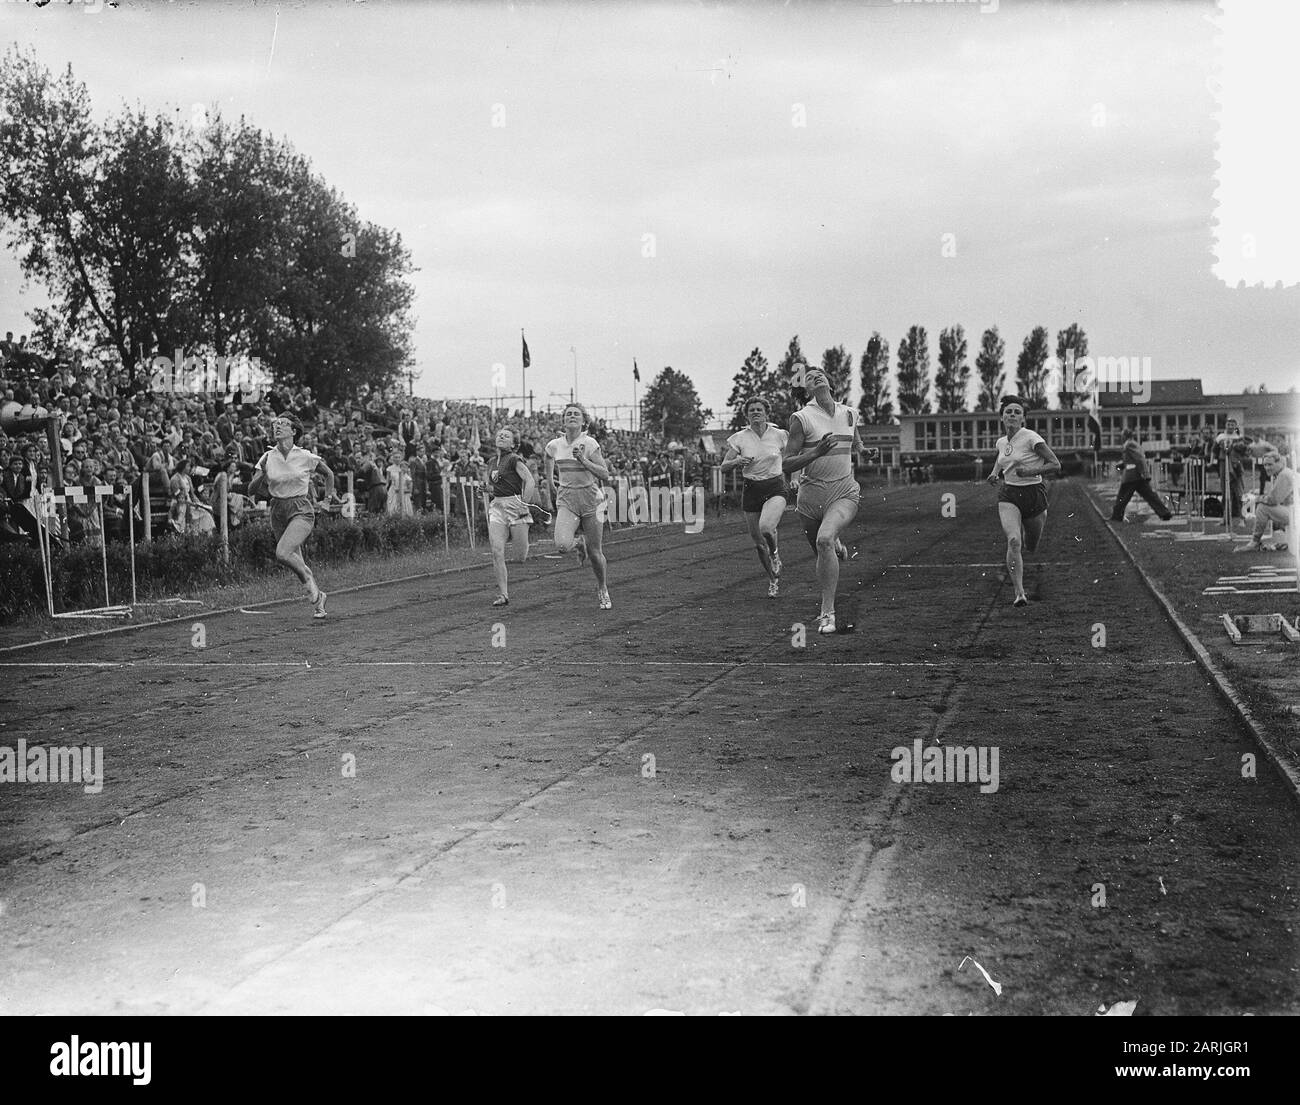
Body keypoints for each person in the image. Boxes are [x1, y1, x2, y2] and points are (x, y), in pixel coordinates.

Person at [781, 365, 862, 634]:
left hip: (843, 491)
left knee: (824, 540)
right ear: (805, 389)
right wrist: (815, 453)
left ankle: (827, 613)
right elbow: (786, 463)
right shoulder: (801, 418)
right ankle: (835, 539)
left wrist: (866, 451)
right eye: (809, 377)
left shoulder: (850, 413)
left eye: (820, 374)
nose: (815, 377)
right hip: (810, 498)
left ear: (829, 382)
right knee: (822, 551)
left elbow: (856, 442)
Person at [248, 414, 336, 618]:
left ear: (293, 431)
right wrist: (259, 477)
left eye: (283, 424)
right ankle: (319, 601)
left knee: (283, 553)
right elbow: (251, 489)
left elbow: (329, 474)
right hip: (277, 511)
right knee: (295, 559)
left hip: (301, 509)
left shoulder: (305, 455)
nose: (277, 427)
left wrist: (327, 500)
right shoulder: (267, 457)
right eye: (275, 425)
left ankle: (311, 587)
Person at [986, 395, 1062, 607]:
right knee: (1014, 541)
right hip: (1009, 495)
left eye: (1017, 412)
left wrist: (1031, 471)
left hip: (1034, 495)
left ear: (1023, 419)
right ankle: (1019, 593)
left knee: (1031, 545)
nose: (1012, 415)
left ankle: (1032, 532)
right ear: (1002, 417)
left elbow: (1056, 465)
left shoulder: (1031, 438)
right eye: (1008, 411)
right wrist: (994, 473)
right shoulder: (1001, 441)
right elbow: (1000, 460)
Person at [544, 402, 613, 609]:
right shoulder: (555, 444)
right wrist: (549, 480)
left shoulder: (590, 443)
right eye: (568, 414)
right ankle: (578, 544)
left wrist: (583, 460)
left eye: (576, 414)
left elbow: (605, 474)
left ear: (584, 421)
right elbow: (548, 456)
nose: (572, 416)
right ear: (563, 420)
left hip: (591, 499)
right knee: (563, 545)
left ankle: (602, 588)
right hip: (567, 498)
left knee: (595, 552)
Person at [720, 396, 788, 598]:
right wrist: (737, 461)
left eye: (759, 409)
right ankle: (772, 580)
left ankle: (775, 555)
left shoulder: (780, 434)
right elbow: (724, 467)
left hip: (775, 486)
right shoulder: (739, 438)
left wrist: (793, 478)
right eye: (752, 410)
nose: (756, 412)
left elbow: (792, 457)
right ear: (747, 415)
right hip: (751, 489)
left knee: (766, 528)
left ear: (767, 412)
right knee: (759, 544)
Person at [486, 427, 538, 606]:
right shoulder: (492, 461)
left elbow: (530, 480)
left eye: (506, 436)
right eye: (499, 433)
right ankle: (503, 594)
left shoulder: (514, 459)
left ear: (514, 444)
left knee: (520, 556)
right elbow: (495, 487)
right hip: (497, 506)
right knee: (496, 551)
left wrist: (524, 503)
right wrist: (485, 490)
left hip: (516, 505)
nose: (501, 435)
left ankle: (579, 543)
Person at [1109, 428, 1173, 524]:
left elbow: (1139, 459)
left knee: (1122, 496)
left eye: (1122, 435)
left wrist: (1145, 473)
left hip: (1132, 476)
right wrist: (1122, 465)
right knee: (1150, 496)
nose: (1121, 437)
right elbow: (1133, 459)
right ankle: (1165, 513)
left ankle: (1116, 517)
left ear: (1125, 436)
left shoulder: (1129, 444)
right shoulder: (1133, 443)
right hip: (1137, 475)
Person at [1233, 450, 1292, 553]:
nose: (1267, 468)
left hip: (1295, 514)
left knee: (1263, 508)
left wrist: (1255, 498)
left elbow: (1273, 500)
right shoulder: (1282, 473)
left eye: (1270, 464)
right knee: (1266, 507)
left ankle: (1254, 542)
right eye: (1265, 465)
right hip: (1293, 512)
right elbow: (1275, 497)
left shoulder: (1284, 475)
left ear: (1279, 463)